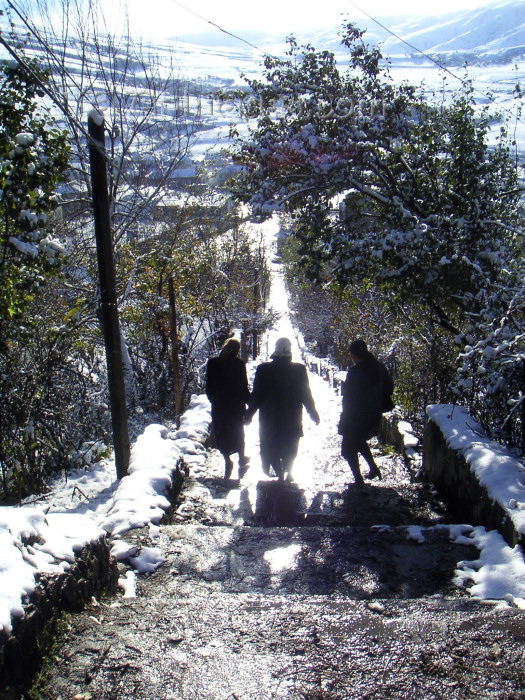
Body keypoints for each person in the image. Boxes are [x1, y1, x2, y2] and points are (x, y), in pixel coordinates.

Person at [245, 337, 320, 481]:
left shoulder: (264, 369)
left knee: (270, 444)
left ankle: (277, 471)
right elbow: (305, 393)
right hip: (292, 415)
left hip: (269, 416)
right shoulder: (299, 369)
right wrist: (313, 412)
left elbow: (257, 394)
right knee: (291, 443)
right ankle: (289, 470)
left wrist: (249, 414)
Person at [338, 339, 394, 487]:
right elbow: (389, 388)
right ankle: (373, 469)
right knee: (358, 440)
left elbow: (349, 398)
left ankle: (358, 480)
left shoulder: (355, 372)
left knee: (348, 449)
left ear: (354, 355)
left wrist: (345, 417)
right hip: (374, 414)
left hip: (356, 416)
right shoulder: (379, 367)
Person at [205, 337, 250, 479]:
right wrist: (249, 404)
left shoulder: (213, 363)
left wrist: (214, 400)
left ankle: (227, 461)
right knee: (238, 432)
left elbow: (208, 386)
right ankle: (242, 459)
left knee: (222, 433)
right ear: (237, 351)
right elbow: (244, 386)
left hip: (219, 406)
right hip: (236, 406)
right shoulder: (239, 364)